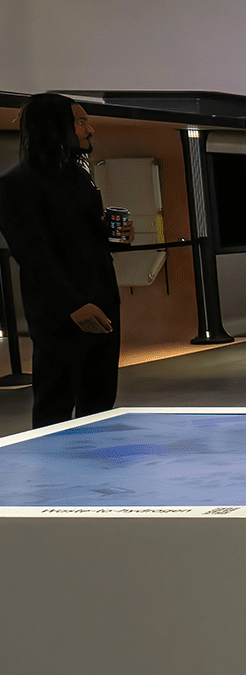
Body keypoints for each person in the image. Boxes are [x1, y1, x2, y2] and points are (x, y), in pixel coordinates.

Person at [0, 93, 130, 428]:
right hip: (60, 314)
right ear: (56, 126)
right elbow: (33, 255)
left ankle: (98, 460)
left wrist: (114, 235)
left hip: (102, 306)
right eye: (80, 121)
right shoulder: (16, 184)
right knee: (55, 406)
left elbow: (84, 239)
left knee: (100, 401)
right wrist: (75, 305)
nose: (90, 129)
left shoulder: (78, 177)